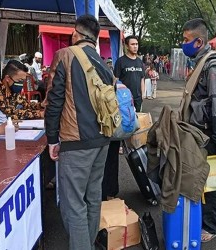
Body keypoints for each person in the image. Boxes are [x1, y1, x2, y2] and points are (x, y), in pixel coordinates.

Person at [44, 14, 113, 250]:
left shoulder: (65, 55)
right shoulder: (105, 63)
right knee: (93, 198)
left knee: (73, 204)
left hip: (75, 142)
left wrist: (52, 139)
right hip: (103, 139)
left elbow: (54, 101)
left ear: (76, 33)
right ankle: (88, 245)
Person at [181, 18, 216, 243]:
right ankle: (206, 218)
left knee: (211, 180)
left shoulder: (212, 65)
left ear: (199, 42)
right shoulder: (201, 62)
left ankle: (211, 226)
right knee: (204, 177)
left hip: (209, 134)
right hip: (200, 131)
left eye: (186, 40)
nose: (183, 44)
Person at [101, 35, 145, 201]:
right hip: (123, 102)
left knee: (134, 126)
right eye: (132, 44)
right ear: (126, 46)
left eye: (136, 43)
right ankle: (120, 144)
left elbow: (142, 79)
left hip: (137, 100)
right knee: (122, 125)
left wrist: (142, 95)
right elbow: (116, 80)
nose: (135, 46)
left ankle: (131, 147)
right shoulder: (120, 62)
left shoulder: (140, 62)